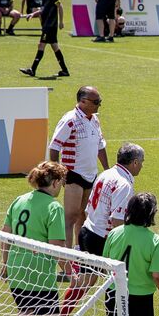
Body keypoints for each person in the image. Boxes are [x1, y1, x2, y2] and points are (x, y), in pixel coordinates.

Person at [59, 143, 143, 316]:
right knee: (118, 286)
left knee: (83, 282)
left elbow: (88, 210)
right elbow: (117, 222)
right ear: (134, 162)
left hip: (87, 231)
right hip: (102, 239)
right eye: (141, 162)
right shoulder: (124, 184)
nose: (141, 166)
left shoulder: (106, 175)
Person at [1, 161, 72, 316]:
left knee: (26, 314)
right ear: (55, 182)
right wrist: (71, 272)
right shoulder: (53, 207)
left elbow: (6, 235)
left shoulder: (19, 200)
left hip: (17, 270)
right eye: (61, 182)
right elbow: (56, 247)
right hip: (39, 274)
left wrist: (5, 265)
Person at [45, 86, 109, 250]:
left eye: (99, 101)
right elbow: (54, 147)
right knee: (70, 217)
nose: (99, 105)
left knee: (83, 215)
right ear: (83, 101)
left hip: (91, 174)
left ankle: (79, 250)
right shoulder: (70, 120)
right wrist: (58, 173)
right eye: (96, 102)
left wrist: (107, 169)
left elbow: (100, 146)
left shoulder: (94, 119)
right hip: (73, 174)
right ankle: (66, 256)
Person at [20, 0, 69, 77]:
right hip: (47, 24)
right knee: (55, 46)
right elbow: (42, 10)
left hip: (50, 25)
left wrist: (61, 21)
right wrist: (33, 14)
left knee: (41, 45)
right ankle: (65, 70)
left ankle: (32, 69)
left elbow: (60, 6)